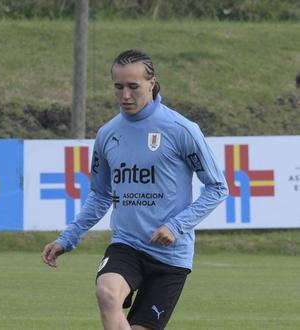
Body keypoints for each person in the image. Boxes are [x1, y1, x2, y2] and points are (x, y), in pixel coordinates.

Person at [41, 49, 228, 330]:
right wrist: (67, 238)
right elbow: (101, 195)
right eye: (119, 87)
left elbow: (217, 187)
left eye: (133, 87)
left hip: (171, 255)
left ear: (152, 84)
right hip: (127, 245)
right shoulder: (107, 135)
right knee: (106, 293)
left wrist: (176, 226)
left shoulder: (181, 130)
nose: (125, 95)